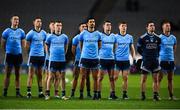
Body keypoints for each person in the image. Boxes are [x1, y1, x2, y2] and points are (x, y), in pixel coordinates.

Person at [1, 15, 25, 97]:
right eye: (15, 19)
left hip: (18, 55)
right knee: (7, 74)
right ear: (11, 21)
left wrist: (19, 50)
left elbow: (23, 43)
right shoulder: (6, 31)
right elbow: (3, 43)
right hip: (9, 55)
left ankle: (18, 92)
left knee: (18, 74)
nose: (17, 21)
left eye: (18, 19)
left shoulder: (21, 31)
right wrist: (7, 51)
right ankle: (5, 92)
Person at [137, 21, 161, 101]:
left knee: (155, 79)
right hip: (146, 61)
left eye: (153, 25)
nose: (152, 27)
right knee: (143, 79)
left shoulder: (158, 38)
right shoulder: (142, 38)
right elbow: (138, 49)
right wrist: (144, 55)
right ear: (147, 27)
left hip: (155, 61)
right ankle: (143, 95)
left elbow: (159, 49)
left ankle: (155, 95)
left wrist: (155, 55)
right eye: (150, 26)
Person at [45, 21, 69, 100]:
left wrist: (63, 54)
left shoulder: (65, 37)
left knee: (62, 77)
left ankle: (63, 95)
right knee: (50, 76)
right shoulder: (50, 37)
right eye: (57, 25)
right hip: (53, 60)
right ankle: (47, 94)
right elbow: (47, 46)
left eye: (60, 25)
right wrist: (49, 54)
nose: (59, 27)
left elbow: (66, 47)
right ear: (54, 27)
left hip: (62, 60)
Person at [79, 18, 101, 100]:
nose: (92, 23)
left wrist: (94, 53)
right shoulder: (83, 33)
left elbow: (99, 45)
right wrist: (83, 52)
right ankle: (81, 94)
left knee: (95, 78)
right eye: (90, 22)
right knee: (83, 77)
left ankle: (95, 94)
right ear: (87, 24)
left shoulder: (98, 34)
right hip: (85, 58)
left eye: (93, 22)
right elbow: (81, 44)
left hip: (94, 58)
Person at [26, 17, 46, 98]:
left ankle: (40, 92)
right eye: (38, 21)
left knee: (40, 75)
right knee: (31, 74)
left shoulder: (44, 33)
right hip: (33, 56)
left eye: (40, 21)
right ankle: (29, 92)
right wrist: (30, 53)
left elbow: (45, 43)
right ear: (34, 22)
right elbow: (26, 45)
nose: (39, 23)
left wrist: (45, 52)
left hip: (41, 56)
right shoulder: (30, 33)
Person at [114, 21, 136, 99]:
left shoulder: (129, 37)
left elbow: (132, 48)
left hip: (126, 60)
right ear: (119, 27)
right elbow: (113, 48)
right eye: (122, 26)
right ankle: (112, 93)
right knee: (115, 77)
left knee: (125, 77)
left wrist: (134, 57)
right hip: (117, 60)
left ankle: (124, 94)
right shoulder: (115, 37)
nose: (124, 27)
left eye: (125, 26)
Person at [97, 21, 118, 99]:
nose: (109, 26)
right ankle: (98, 94)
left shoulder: (113, 36)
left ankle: (112, 94)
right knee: (100, 77)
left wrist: (114, 54)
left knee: (112, 77)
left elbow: (115, 46)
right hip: (102, 59)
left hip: (111, 59)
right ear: (103, 26)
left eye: (110, 25)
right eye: (107, 25)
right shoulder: (100, 35)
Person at [70, 23, 92, 98]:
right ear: (79, 28)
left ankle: (88, 93)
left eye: (86, 26)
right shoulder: (76, 38)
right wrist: (77, 56)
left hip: (87, 59)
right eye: (83, 26)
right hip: (78, 59)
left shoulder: (89, 37)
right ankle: (72, 93)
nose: (85, 28)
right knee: (76, 76)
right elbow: (73, 50)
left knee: (87, 77)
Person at [158, 21, 177, 100]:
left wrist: (171, 56)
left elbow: (174, 48)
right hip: (162, 60)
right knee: (159, 78)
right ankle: (156, 95)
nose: (168, 27)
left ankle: (171, 95)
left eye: (169, 26)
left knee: (170, 79)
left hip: (171, 60)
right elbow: (157, 49)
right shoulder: (160, 37)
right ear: (163, 27)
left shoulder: (173, 38)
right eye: (166, 26)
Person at [44, 21, 59, 97]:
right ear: (50, 26)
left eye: (54, 25)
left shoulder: (58, 36)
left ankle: (56, 93)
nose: (53, 26)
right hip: (48, 59)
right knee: (48, 76)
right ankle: (45, 92)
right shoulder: (48, 35)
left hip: (56, 59)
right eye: (52, 25)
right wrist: (48, 54)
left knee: (57, 76)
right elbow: (45, 46)